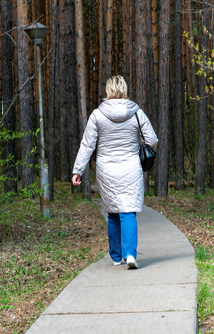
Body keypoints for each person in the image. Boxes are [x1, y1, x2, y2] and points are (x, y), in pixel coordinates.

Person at [72, 76, 158, 269]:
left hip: (107, 168)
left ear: (108, 90)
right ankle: (130, 255)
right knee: (128, 211)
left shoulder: (97, 115)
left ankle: (116, 256)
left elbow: (87, 145)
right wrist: (142, 152)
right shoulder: (137, 113)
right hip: (130, 166)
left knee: (112, 211)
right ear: (124, 90)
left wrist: (78, 170)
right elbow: (152, 139)